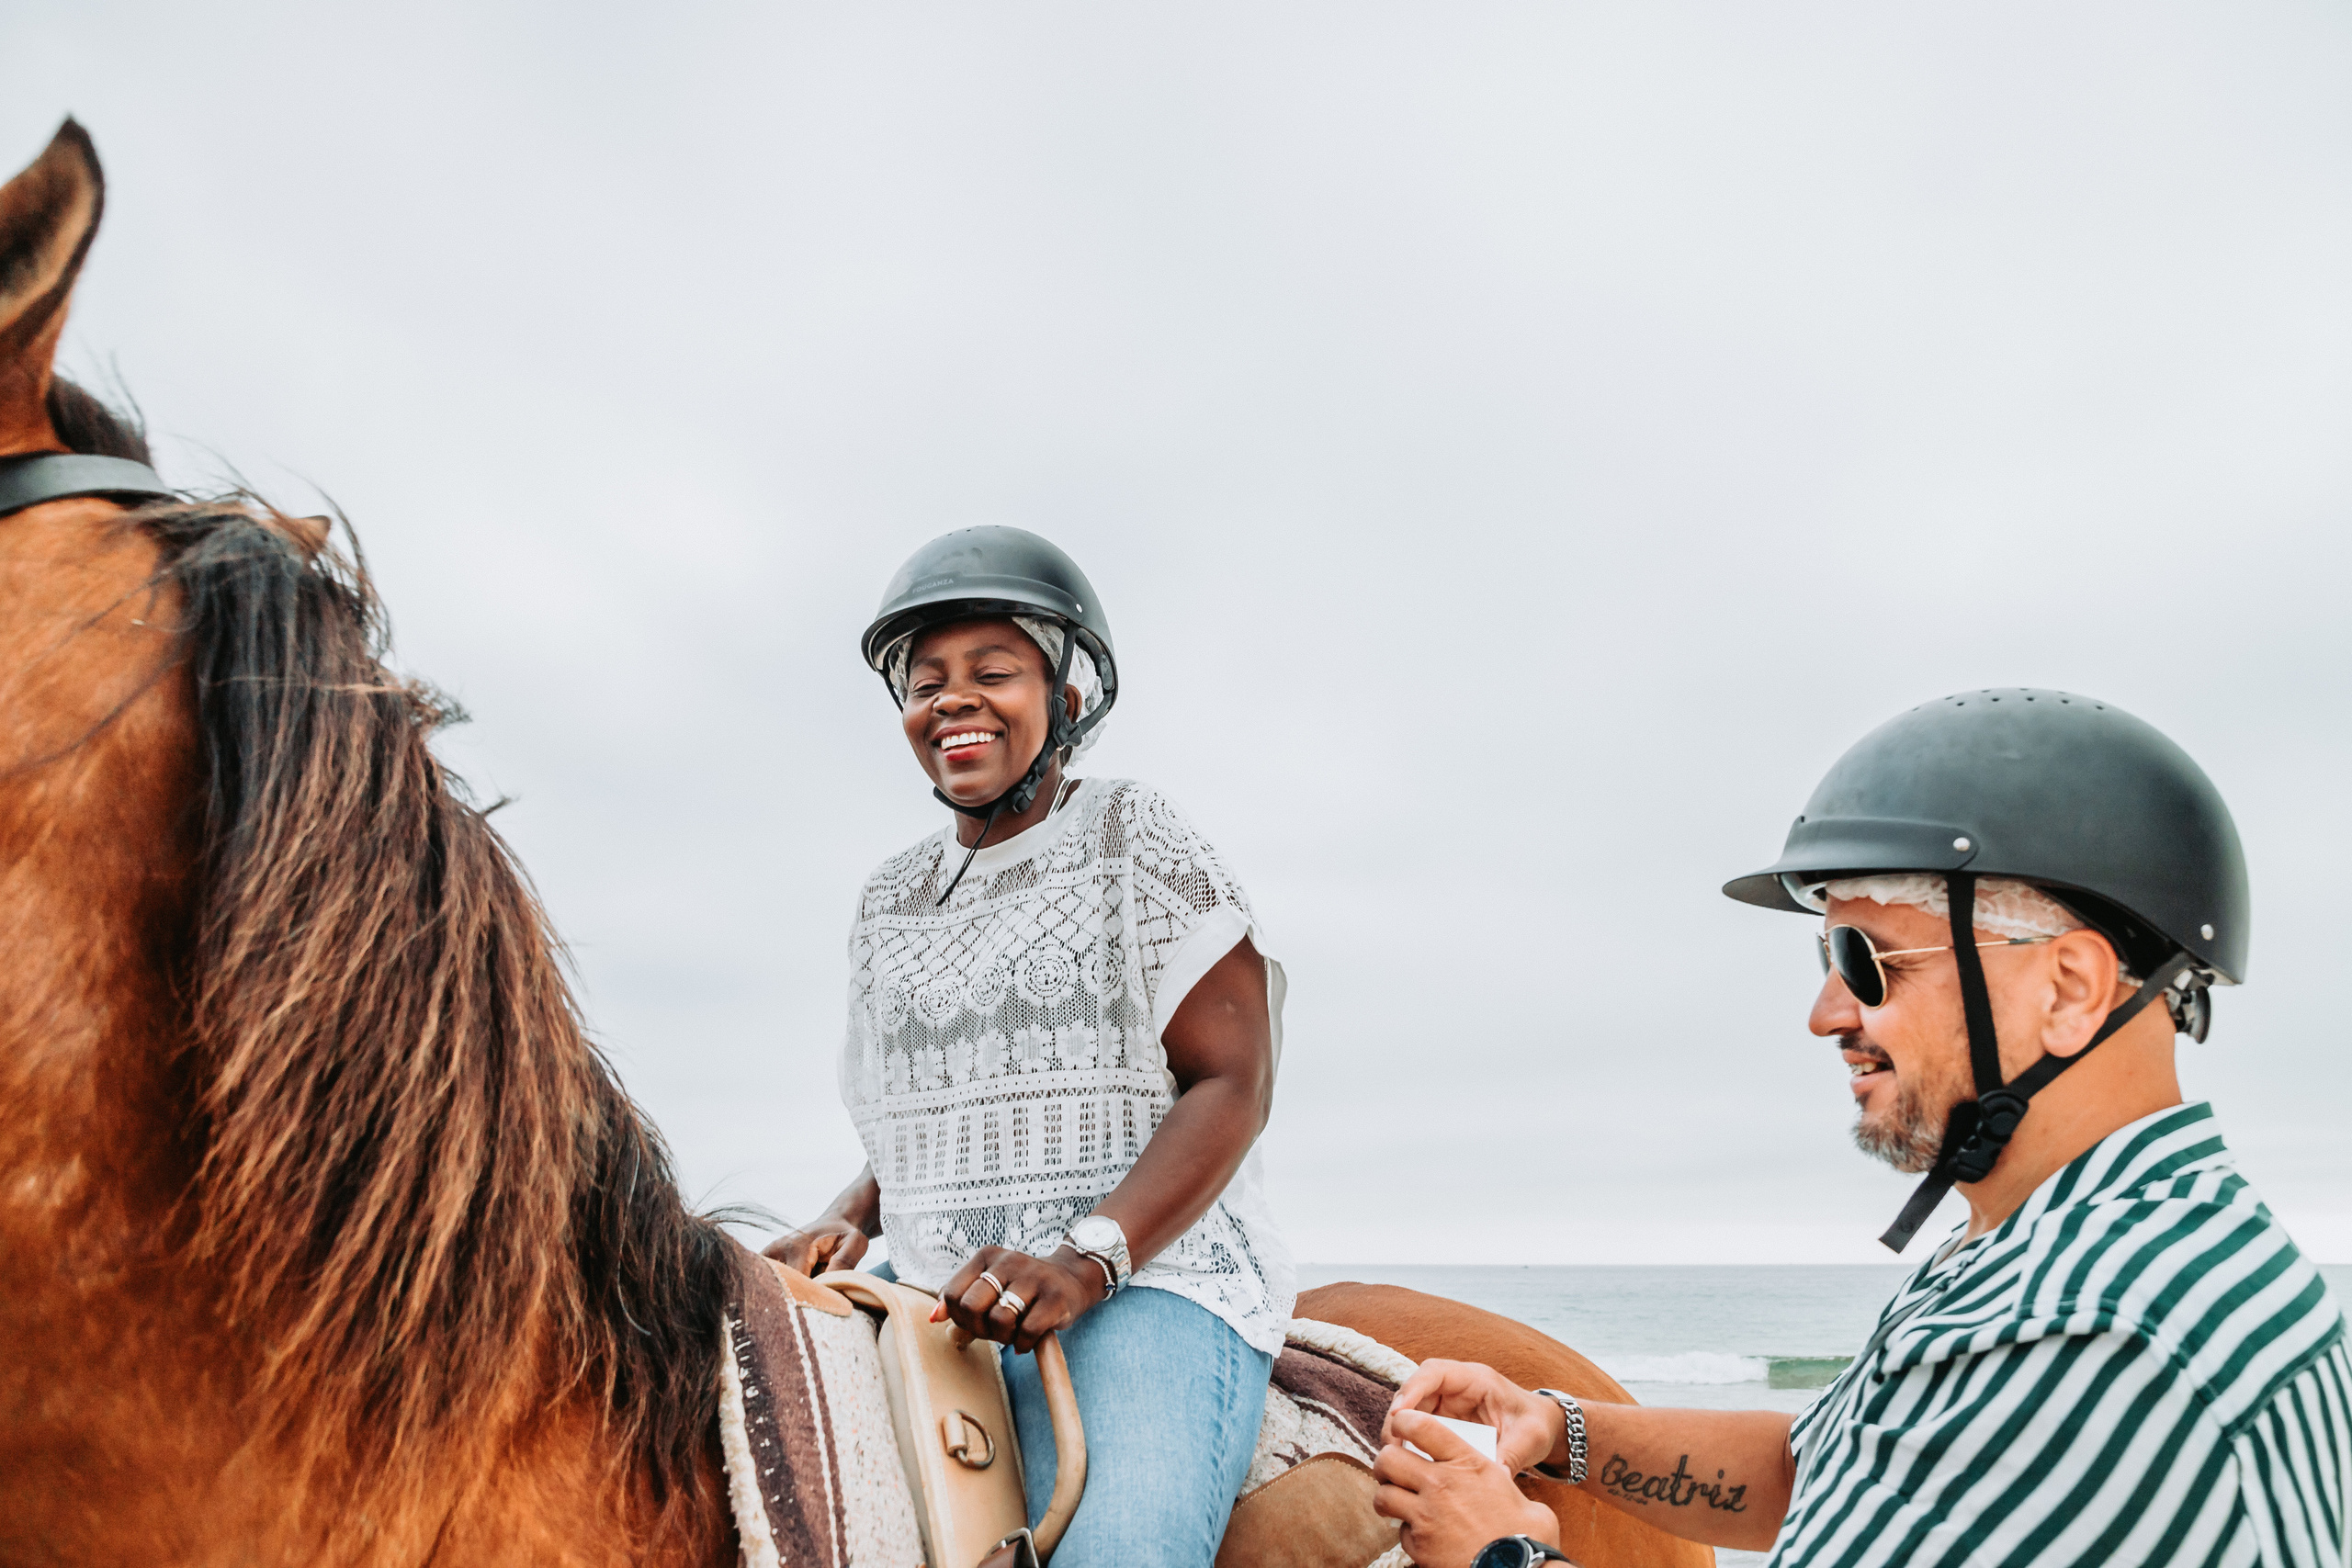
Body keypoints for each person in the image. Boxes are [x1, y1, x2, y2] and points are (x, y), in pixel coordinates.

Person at [1374, 689, 2350, 1568]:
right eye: (1826, 954)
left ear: (2068, 988)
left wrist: (1504, 1560)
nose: (1827, 1013)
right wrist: (1554, 1425)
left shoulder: (2092, 1330)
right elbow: (1818, 1478)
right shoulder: (2049, 1245)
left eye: (1870, 956)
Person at [769, 526, 1293, 1567]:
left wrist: (1084, 1262)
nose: (951, 699)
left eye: (992, 672)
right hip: (933, 1299)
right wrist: (844, 1214)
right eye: (927, 683)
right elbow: (939, 1113)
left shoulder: (1136, 836)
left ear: (1066, 697)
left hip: (1148, 1288)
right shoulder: (886, 899)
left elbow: (1232, 1080)